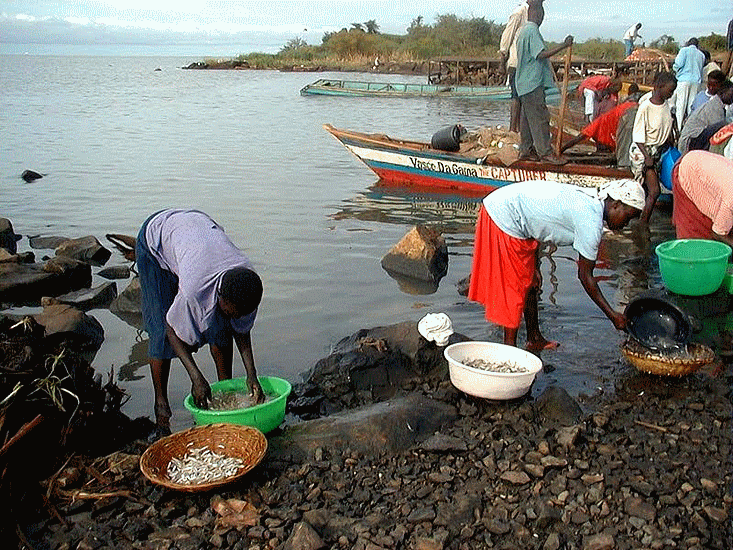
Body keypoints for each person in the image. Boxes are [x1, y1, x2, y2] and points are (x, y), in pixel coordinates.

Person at [468, 179, 644, 350]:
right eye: (628, 217)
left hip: (515, 213)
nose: (626, 224)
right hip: (505, 214)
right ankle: (510, 352)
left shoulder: (592, 200)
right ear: (615, 205)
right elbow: (585, 277)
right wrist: (612, 316)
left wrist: (535, 265)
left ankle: (534, 338)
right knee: (516, 287)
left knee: (532, 282)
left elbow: (540, 219)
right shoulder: (591, 221)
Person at [136, 208, 265, 436]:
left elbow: (242, 331)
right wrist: (196, 377)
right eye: (232, 312)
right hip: (155, 241)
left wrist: (251, 374)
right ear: (220, 297)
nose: (238, 318)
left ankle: (225, 394)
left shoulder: (247, 283)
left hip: (197, 229)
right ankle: (162, 410)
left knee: (223, 326)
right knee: (159, 332)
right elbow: (171, 329)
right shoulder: (195, 289)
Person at [514, 0, 573, 164]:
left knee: (527, 120)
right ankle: (545, 153)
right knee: (540, 118)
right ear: (536, 13)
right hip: (532, 84)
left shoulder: (524, 31)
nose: (542, 17)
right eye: (541, 13)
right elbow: (540, 54)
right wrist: (563, 45)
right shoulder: (531, 31)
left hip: (524, 85)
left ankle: (525, 150)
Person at [628, 71, 677, 223]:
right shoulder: (646, 107)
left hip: (657, 152)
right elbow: (638, 137)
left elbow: (667, 128)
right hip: (643, 153)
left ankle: (638, 219)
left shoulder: (667, 105)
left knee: (647, 191)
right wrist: (647, 158)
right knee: (654, 191)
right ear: (659, 87)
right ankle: (642, 225)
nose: (671, 94)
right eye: (670, 91)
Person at [672, 150, 733, 248]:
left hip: (703, 167)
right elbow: (717, 234)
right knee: (695, 238)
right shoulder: (730, 201)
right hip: (689, 171)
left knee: (724, 224)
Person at [561, 93, 639, 153]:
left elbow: (579, 138)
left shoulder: (597, 124)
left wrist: (562, 149)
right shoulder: (616, 110)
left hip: (613, 140)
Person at [678, 80, 733, 155]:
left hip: (694, 138)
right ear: (722, 92)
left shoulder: (715, 103)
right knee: (723, 126)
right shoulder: (715, 108)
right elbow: (718, 136)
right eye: (731, 94)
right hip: (690, 141)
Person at [498, 1, 529, 133]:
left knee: (524, 97)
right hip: (516, 62)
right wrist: (502, 60)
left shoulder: (533, 13)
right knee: (517, 97)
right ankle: (513, 129)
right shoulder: (519, 13)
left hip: (528, 63)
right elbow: (507, 36)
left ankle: (521, 130)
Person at [672, 38, 706, 132]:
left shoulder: (684, 51)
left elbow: (678, 64)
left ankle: (679, 128)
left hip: (684, 80)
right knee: (691, 106)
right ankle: (688, 128)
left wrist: (675, 69)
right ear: (697, 45)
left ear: (688, 43)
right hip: (696, 82)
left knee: (680, 105)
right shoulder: (701, 55)